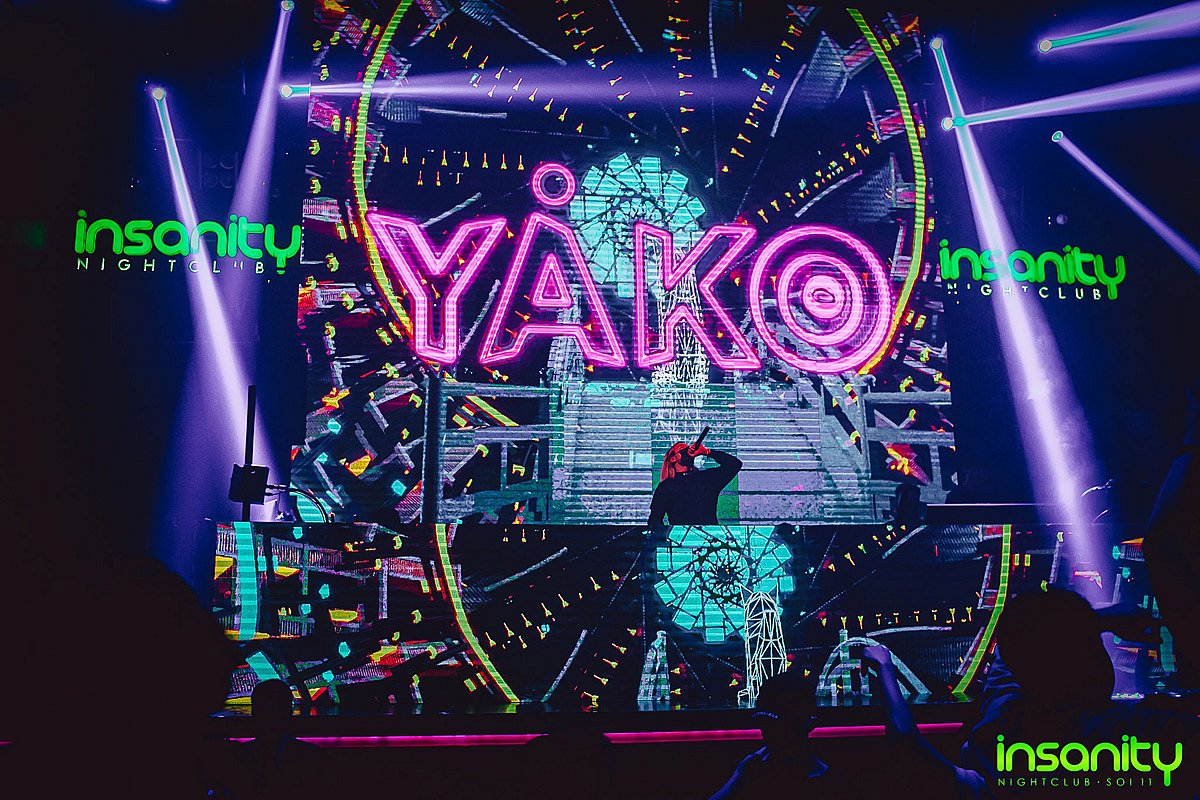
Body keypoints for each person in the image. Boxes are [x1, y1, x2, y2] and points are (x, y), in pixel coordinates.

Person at [708, 669, 835, 799]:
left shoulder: (752, 773)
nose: (768, 732)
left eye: (775, 723)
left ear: (809, 723)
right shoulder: (831, 783)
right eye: (764, 722)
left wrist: (737, 779)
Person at [648, 441, 741, 526]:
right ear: (672, 459)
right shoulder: (666, 487)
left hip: (710, 537)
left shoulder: (706, 478)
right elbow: (655, 519)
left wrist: (707, 452)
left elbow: (734, 464)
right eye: (682, 449)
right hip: (681, 537)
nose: (687, 451)